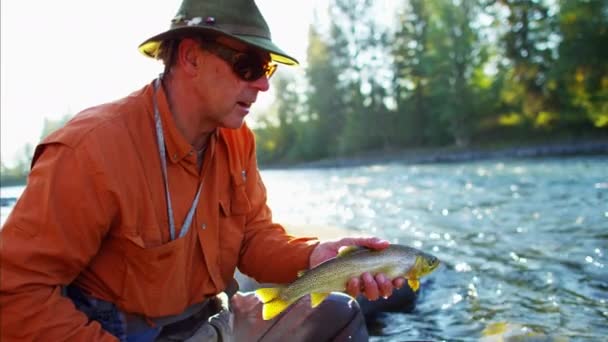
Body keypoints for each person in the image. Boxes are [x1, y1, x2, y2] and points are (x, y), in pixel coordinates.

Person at [0, 0, 406, 340]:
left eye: (267, 69)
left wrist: (314, 254)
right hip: (118, 333)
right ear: (191, 57)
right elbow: (15, 292)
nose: (263, 86)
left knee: (340, 315)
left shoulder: (237, 138)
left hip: (211, 322)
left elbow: (252, 239)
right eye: (248, 65)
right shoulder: (90, 151)